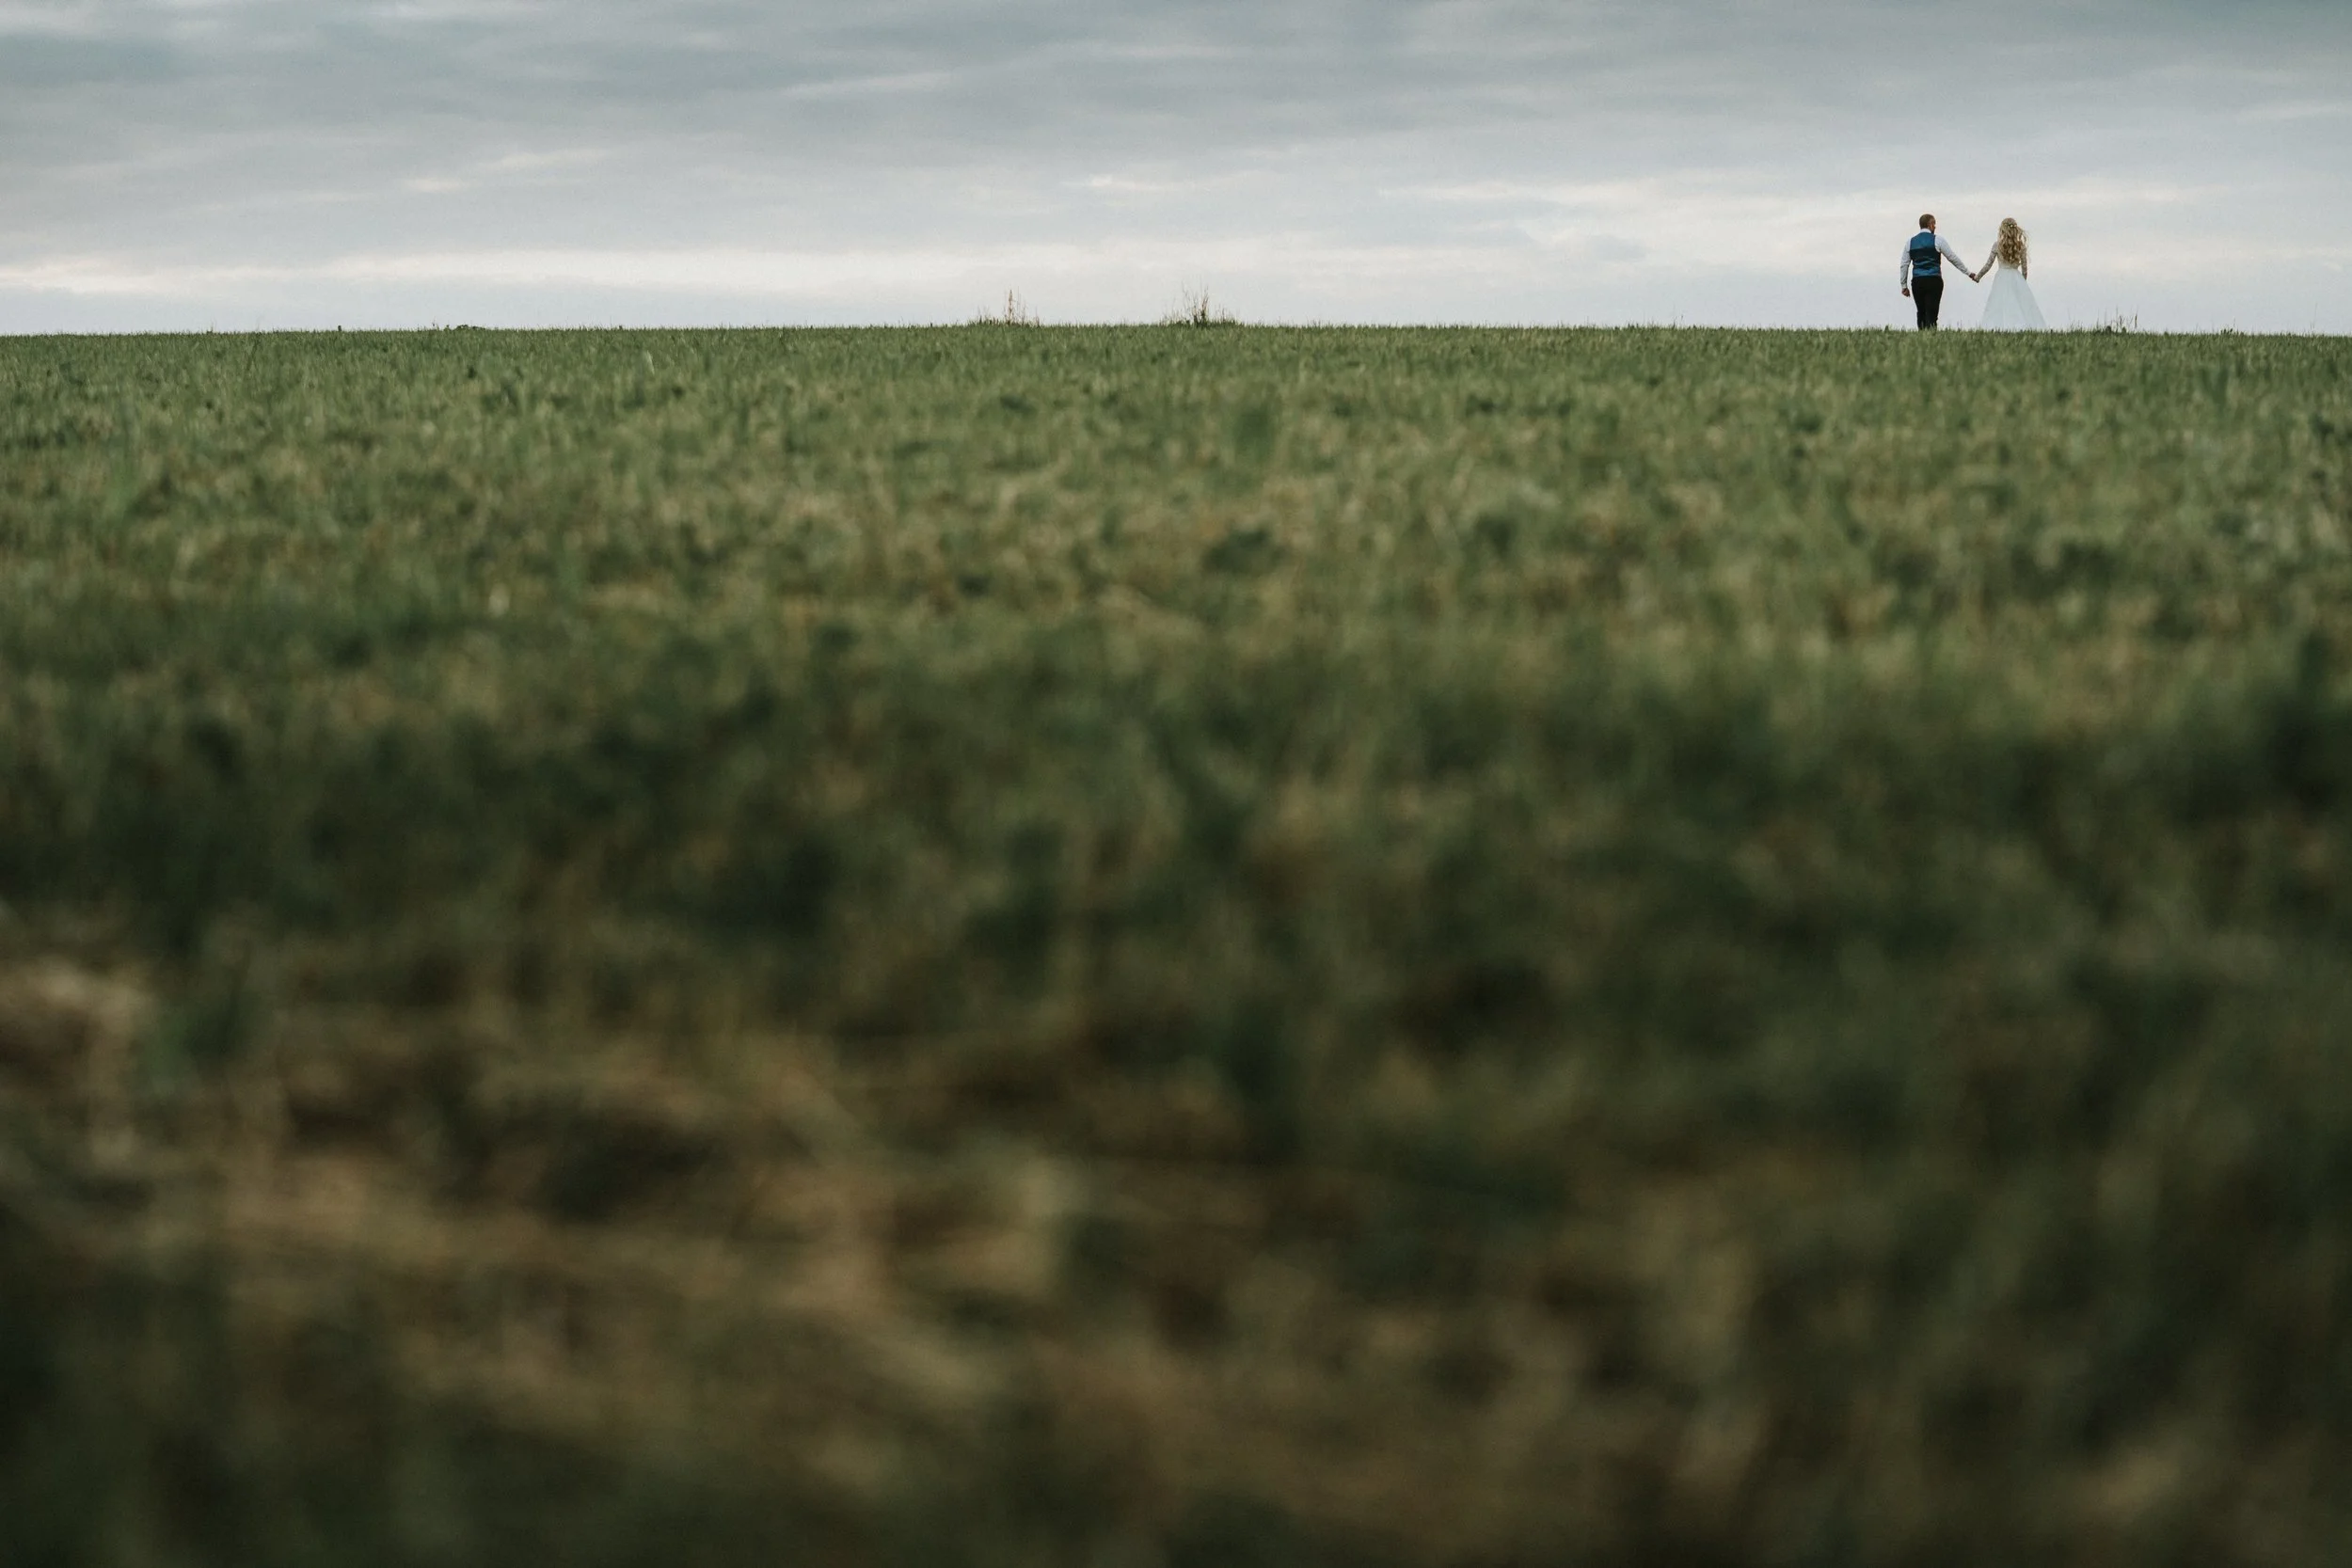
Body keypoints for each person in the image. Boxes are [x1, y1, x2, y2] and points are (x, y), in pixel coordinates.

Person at [1968, 217, 2047, 330]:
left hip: (2001, 277)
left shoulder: (1997, 245)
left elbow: (1988, 265)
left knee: (1999, 304)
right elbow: (2025, 268)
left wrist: (1978, 277)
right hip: (2016, 277)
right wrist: (2022, 282)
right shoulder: (2020, 246)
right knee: (2019, 305)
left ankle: (1999, 328)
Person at [1899, 214, 1975, 331]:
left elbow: (1904, 265)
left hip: (1917, 281)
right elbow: (1952, 258)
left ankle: (1921, 338)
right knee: (1932, 312)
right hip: (1934, 280)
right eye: (1934, 224)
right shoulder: (1938, 240)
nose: (1935, 227)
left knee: (1921, 311)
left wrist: (1904, 285)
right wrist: (1968, 272)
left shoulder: (1910, 242)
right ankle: (1931, 336)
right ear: (1930, 225)